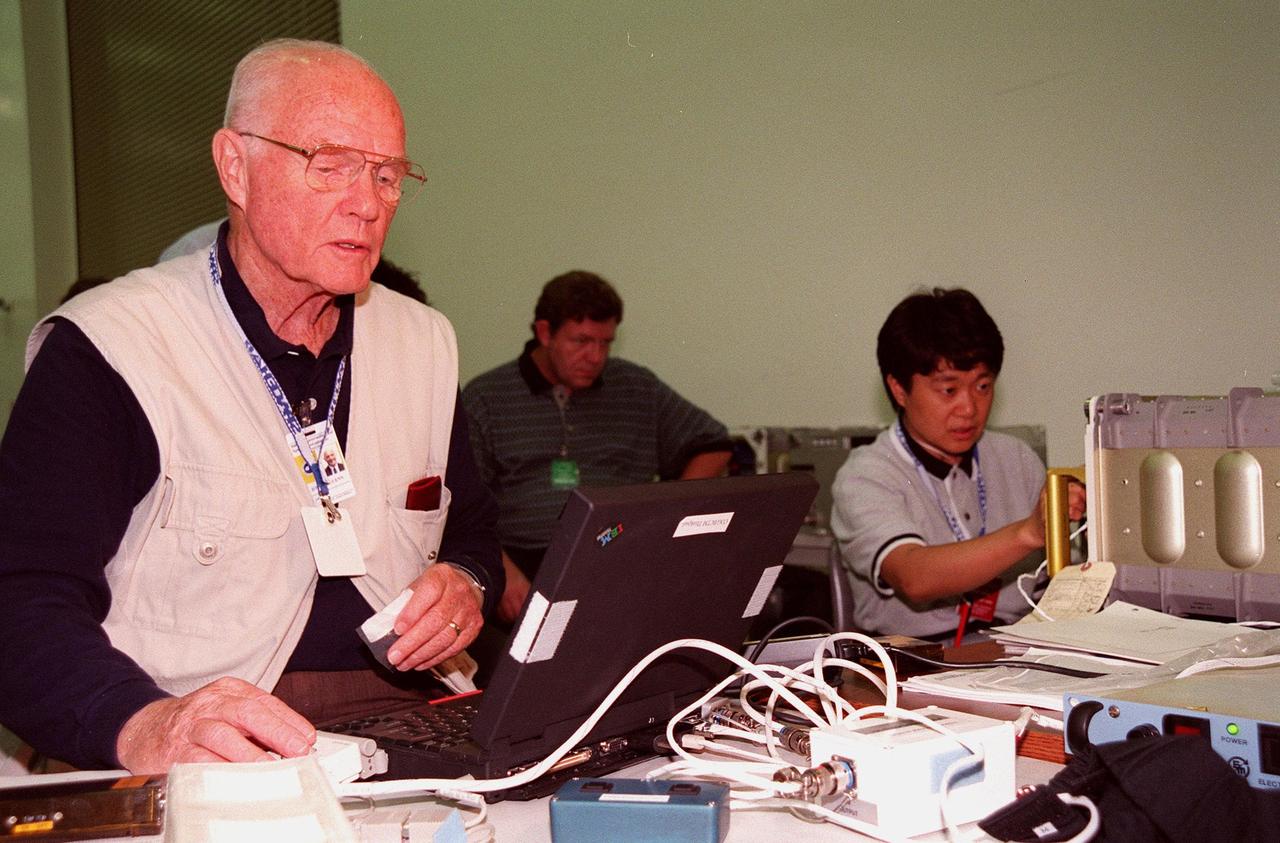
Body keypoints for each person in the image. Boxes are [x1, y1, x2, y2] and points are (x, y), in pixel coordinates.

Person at [0, 39, 502, 774]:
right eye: (329, 165)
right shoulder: (111, 348)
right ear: (235, 165)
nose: (366, 204)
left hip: (409, 719)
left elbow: (475, 535)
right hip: (191, 734)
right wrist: (141, 723)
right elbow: (19, 600)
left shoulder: (423, 342)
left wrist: (467, 583)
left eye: (387, 175)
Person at [462, 270, 733, 623]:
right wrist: (503, 572)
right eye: (581, 341)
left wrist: (674, 519)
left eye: (605, 343)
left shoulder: (636, 387)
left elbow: (714, 444)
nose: (595, 356)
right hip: (528, 562)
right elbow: (463, 501)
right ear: (545, 333)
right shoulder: (487, 397)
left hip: (622, 550)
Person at [830, 287, 1085, 640]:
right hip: (913, 660)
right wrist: (1028, 533)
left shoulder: (1016, 458)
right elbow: (913, 577)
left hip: (1018, 645)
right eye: (948, 390)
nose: (969, 408)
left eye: (983, 386)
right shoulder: (865, 475)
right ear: (899, 389)